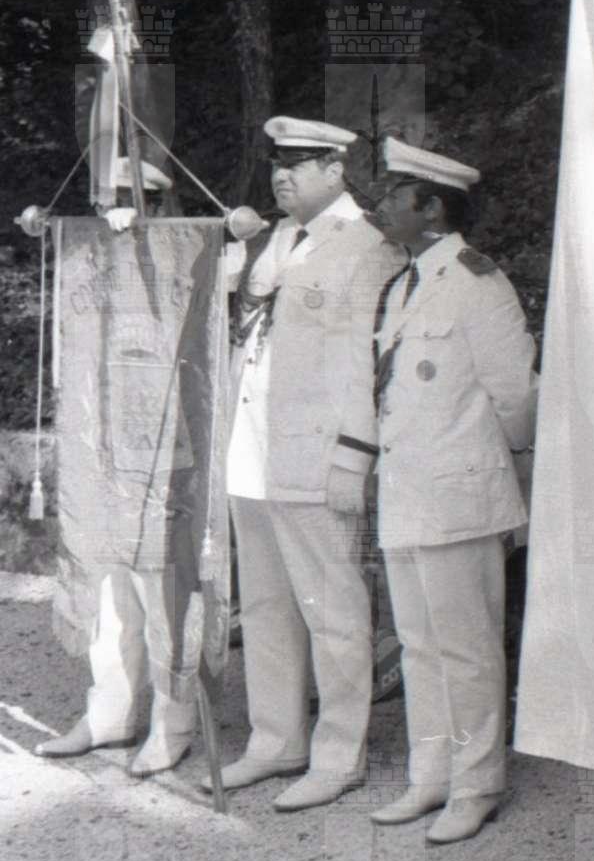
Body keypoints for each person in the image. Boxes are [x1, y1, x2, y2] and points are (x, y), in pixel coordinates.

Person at [207, 117, 403, 810]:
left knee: (333, 609)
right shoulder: (275, 238)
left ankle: (339, 753)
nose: (281, 175)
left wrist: (355, 454)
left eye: (297, 162)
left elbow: (369, 364)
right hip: (252, 447)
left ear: (335, 169)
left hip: (318, 454)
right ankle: (276, 740)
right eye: (275, 163)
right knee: (264, 606)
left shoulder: (367, 246)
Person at [361, 137, 536, 845]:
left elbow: (516, 394)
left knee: (466, 649)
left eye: (393, 195)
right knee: (417, 644)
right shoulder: (402, 283)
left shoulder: (476, 282)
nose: (380, 206)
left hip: (460, 493)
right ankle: (430, 775)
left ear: (432, 208)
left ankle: (477, 783)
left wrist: (502, 468)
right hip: (406, 488)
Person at [34, 157, 195, 775]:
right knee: (107, 590)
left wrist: (155, 240)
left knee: (159, 594)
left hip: (158, 451)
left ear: (155, 203)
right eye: (105, 201)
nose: (112, 212)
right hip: (98, 445)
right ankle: (109, 714)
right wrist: (48, 226)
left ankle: (172, 722)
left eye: (127, 199)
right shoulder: (92, 257)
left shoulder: (183, 257)